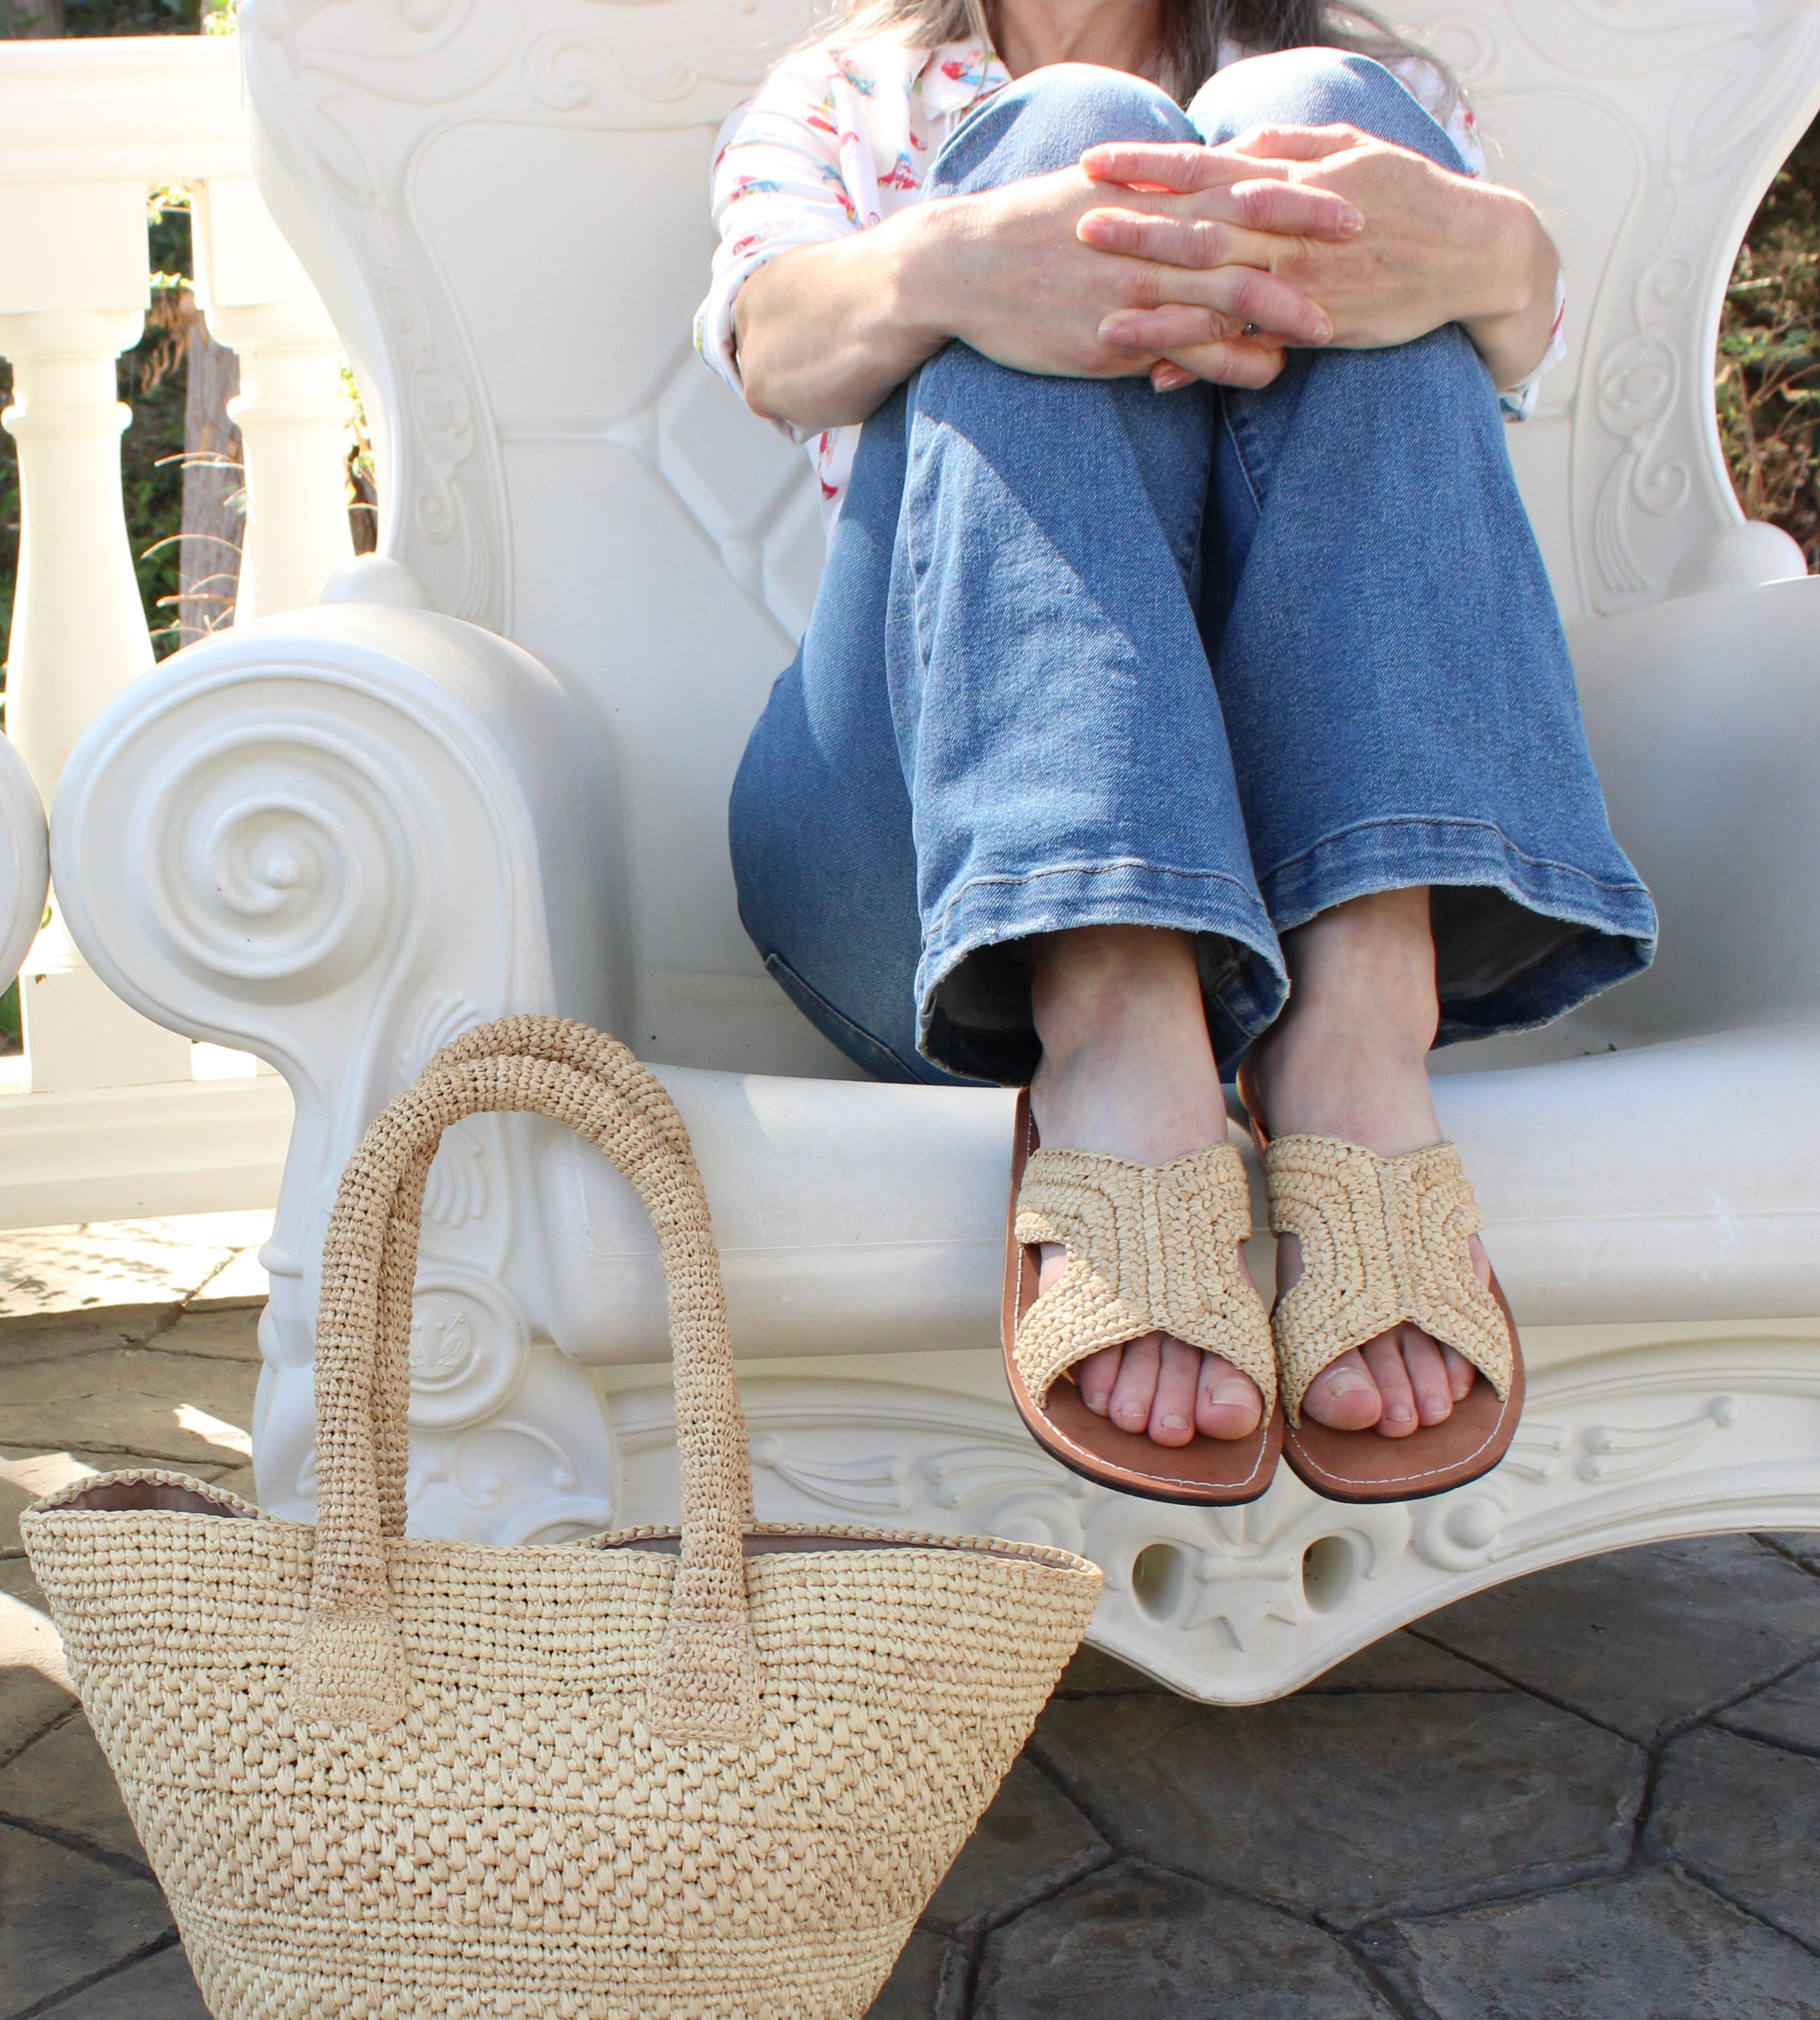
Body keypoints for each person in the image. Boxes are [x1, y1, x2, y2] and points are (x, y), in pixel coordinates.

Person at [698, 0, 1657, 1505]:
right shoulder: (851, 95)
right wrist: (965, 263)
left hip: (1312, 859)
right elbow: (770, 342)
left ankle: (1354, 1030)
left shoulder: (1375, 99)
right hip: (930, 865)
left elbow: (1515, 327)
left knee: (1323, 112)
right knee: (1066, 136)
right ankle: (1110, 1006)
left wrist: (1486, 252)